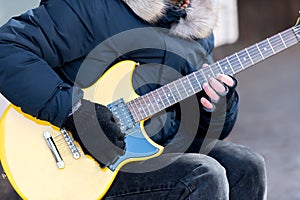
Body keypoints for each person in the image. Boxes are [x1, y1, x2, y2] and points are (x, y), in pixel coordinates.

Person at [0, 0, 267, 199]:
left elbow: (193, 129)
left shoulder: (199, 31)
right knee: (203, 174)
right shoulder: (94, 6)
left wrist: (219, 105)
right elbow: (7, 47)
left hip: (147, 146)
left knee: (246, 165)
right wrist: (76, 112)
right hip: (81, 158)